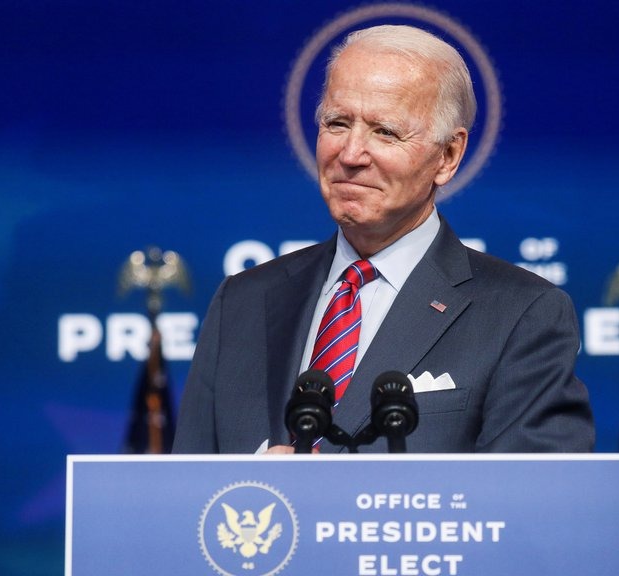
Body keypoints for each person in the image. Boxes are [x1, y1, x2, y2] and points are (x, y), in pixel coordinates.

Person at [173, 24, 594, 454]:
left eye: (385, 132)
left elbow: (535, 505)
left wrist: (338, 495)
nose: (351, 155)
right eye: (337, 124)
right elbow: (182, 500)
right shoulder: (242, 301)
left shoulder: (522, 314)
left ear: (447, 157)